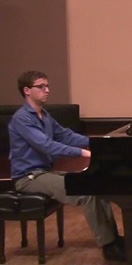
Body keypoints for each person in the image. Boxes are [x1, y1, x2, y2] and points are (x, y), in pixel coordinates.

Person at [9, 71, 125, 261]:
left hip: (44, 173)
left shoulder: (44, 115)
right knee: (86, 193)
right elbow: (47, 145)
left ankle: (115, 239)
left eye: (47, 86)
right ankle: (109, 246)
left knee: (96, 185)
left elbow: (66, 135)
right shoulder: (22, 118)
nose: (47, 90)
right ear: (27, 91)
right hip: (29, 178)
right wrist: (84, 152)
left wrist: (98, 144)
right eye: (41, 86)